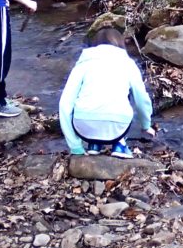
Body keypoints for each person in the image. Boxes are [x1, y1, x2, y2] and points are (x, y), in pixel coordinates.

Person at [58, 27, 154, 159]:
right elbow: (141, 99)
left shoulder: (82, 65)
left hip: (84, 126)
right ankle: (119, 144)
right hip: (118, 122)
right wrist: (146, 125)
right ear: (120, 45)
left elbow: (65, 104)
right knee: (126, 94)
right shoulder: (128, 64)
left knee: (86, 97)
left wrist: (75, 146)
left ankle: (94, 144)